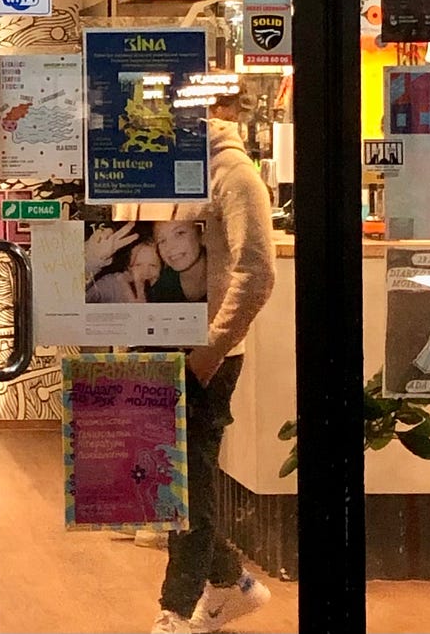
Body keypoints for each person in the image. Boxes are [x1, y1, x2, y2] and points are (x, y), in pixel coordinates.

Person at [145, 104, 277, 634]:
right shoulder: (170, 170)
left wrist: (210, 351)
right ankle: (233, 583)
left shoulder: (236, 174)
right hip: (166, 348)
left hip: (207, 359)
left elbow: (257, 272)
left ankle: (175, 611)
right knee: (174, 485)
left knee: (191, 487)